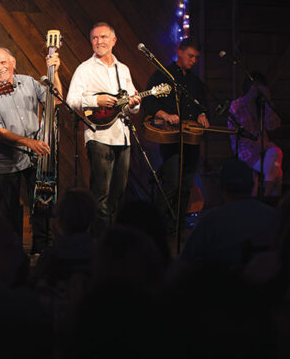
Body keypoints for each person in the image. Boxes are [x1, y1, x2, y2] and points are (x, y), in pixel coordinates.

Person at [0, 47, 62, 253]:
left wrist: (55, 72)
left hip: (36, 156)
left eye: (3, 63)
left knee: (42, 204)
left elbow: (56, 101)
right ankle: (12, 256)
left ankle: (40, 251)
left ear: (13, 62)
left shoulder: (29, 82)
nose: (0, 68)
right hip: (6, 160)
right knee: (9, 212)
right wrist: (28, 142)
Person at [66, 22, 141, 238]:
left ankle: (112, 237)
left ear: (114, 40)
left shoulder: (123, 69)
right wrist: (96, 100)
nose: (99, 42)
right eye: (95, 38)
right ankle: (98, 241)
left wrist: (135, 103)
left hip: (122, 136)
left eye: (104, 37)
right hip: (98, 135)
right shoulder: (84, 69)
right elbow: (71, 100)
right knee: (100, 192)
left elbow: (130, 106)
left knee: (118, 192)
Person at [144, 37, 208, 239]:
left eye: (197, 57)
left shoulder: (194, 81)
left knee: (187, 184)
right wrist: (165, 115)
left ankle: (177, 228)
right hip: (171, 139)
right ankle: (158, 228)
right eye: (190, 56)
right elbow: (150, 103)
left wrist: (202, 114)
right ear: (179, 51)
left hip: (191, 138)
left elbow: (201, 105)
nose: (194, 61)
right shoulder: (162, 75)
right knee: (172, 184)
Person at [227, 71, 283, 196]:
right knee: (277, 173)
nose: (256, 90)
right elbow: (239, 136)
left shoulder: (261, 106)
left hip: (263, 149)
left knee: (276, 154)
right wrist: (261, 144)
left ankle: (266, 196)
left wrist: (268, 102)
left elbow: (273, 126)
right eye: (255, 86)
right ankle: (268, 199)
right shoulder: (237, 105)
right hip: (246, 152)